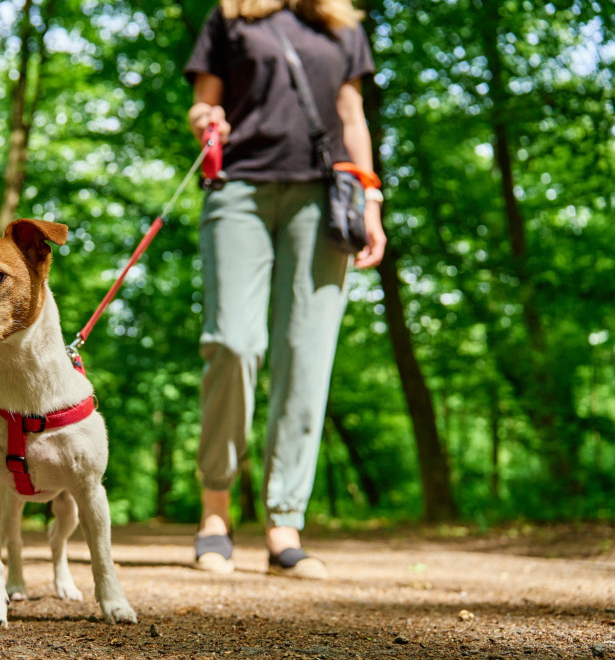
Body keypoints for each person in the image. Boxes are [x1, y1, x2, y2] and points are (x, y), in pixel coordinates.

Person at [184, 0, 386, 578]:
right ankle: (216, 512)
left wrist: (371, 199)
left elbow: (351, 115)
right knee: (233, 342)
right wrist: (206, 119)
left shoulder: (342, 24)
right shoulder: (232, 16)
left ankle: (284, 525)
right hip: (238, 190)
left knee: (306, 355)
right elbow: (203, 101)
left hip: (324, 197)